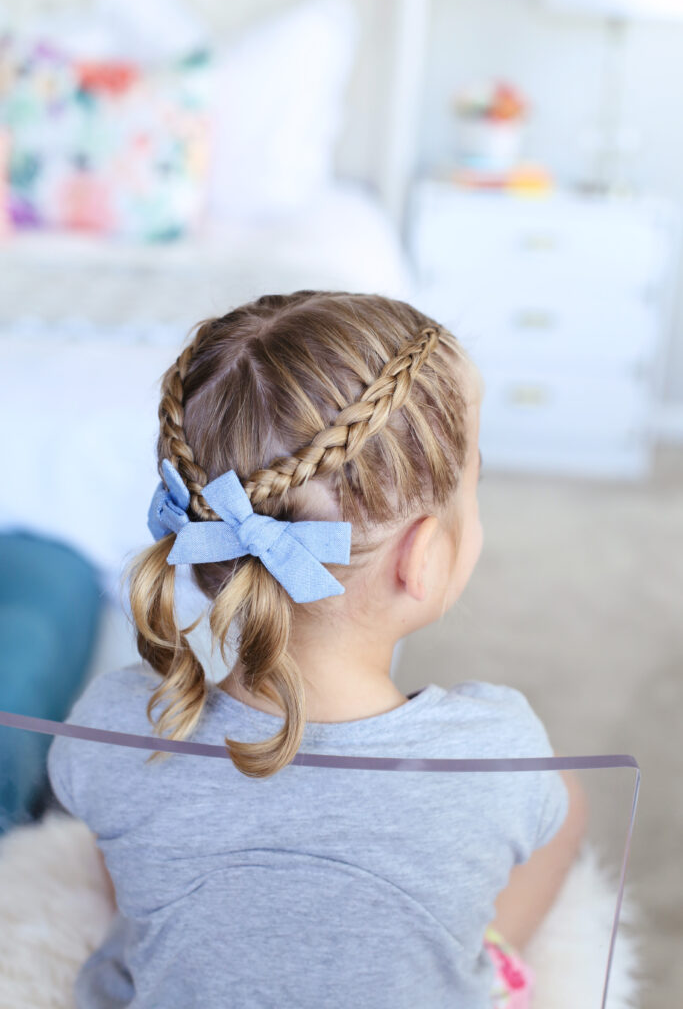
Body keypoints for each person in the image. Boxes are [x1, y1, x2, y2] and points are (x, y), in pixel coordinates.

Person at [47, 290, 587, 1009]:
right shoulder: (498, 751)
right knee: (565, 798)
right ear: (419, 558)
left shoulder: (111, 726)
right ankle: (492, 960)